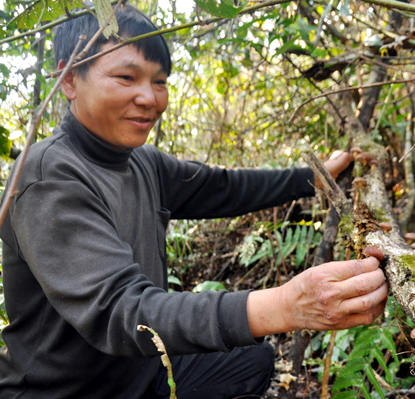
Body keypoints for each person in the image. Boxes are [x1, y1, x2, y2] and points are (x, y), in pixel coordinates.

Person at [0, 5, 388, 399]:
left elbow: (224, 188)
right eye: (126, 77)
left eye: (160, 81)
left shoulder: (140, 161)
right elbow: (122, 310)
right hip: (67, 391)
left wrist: (316, 176)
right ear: (69, 79)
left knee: (250, 361)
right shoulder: (46, 176)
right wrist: (285, 305)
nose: (149, 98)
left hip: (142, 372)